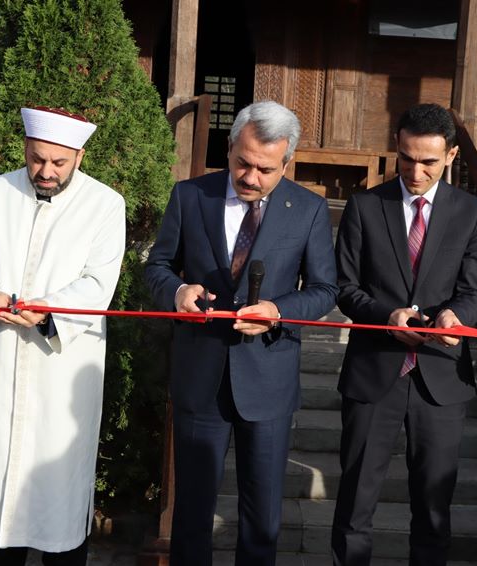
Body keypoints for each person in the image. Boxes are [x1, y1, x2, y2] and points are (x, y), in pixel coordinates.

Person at [145, 100, 338, 566]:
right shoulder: (191, 196)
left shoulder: (308, 210)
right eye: (243, 163)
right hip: (201, 378)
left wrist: (277, 309)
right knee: (191, 512)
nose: (251, 177)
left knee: (262, 516)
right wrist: (177, 293)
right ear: (230, 147)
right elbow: (157, 267)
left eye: (266, 169)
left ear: (287, 163)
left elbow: (323, 289)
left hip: (268, 378)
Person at [0, 106, 125, 566]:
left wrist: (50, 312)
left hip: (61, 367)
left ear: (80, 157)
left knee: (59, 498)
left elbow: (98, 283)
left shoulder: (106, 204)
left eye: (58, 163)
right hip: (1, 359)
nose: (45, 171)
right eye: (36, 159)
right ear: (25, 150)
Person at [331, 103, 477, 566]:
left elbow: (476, 292)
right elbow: (345, 288)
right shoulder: (364, 206)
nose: (415, 171)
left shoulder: (472, 212)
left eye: (428, 161)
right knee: (356, 501)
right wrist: (386, 316)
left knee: (434, 509)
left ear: (452, 155)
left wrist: (455, 317)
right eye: (405, 158)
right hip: (374, 371)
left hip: (441, 377)